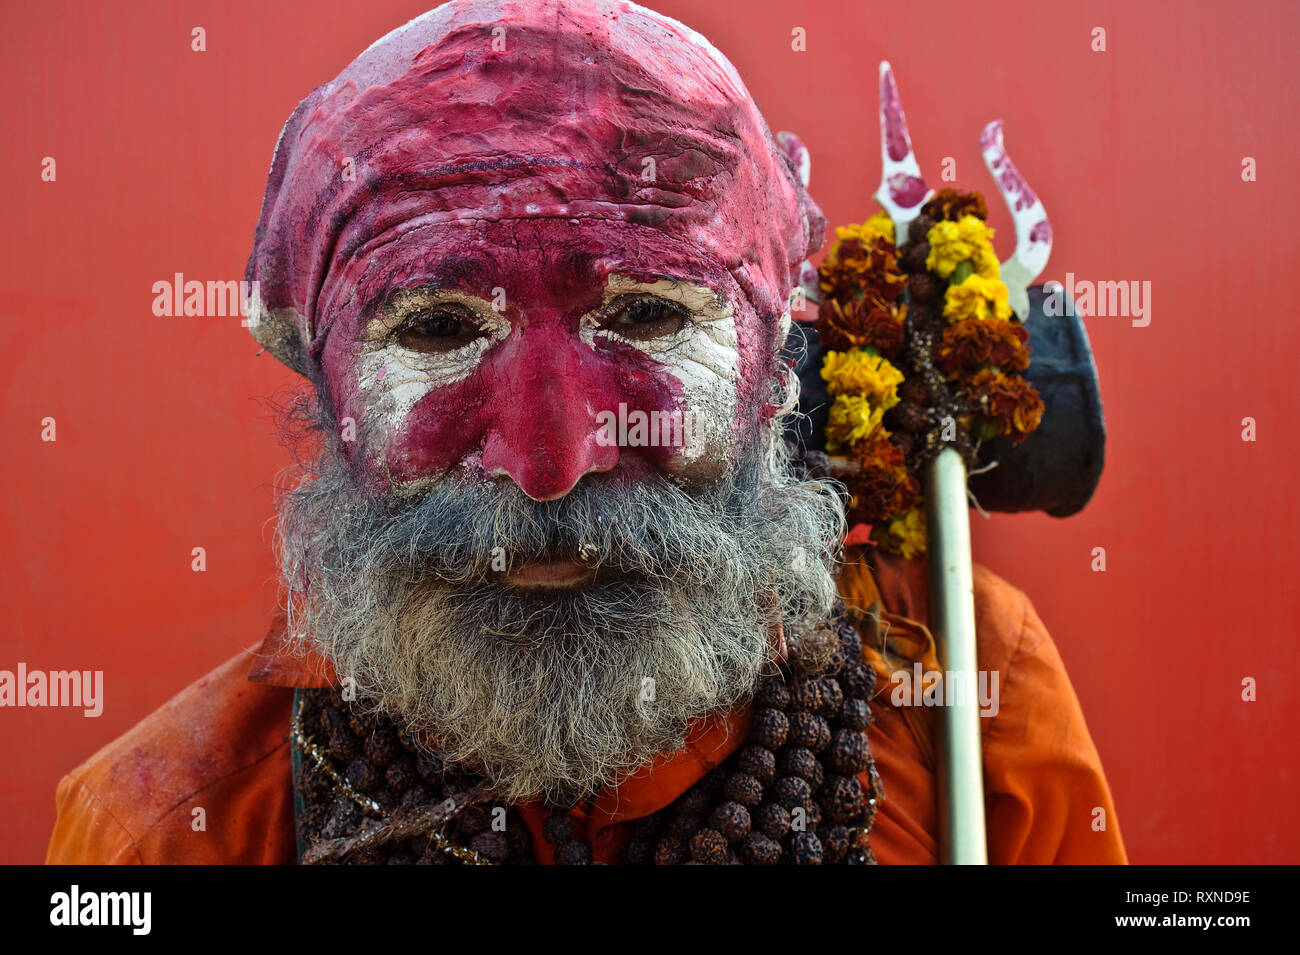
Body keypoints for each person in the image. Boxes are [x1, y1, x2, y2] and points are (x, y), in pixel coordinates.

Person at [46, 0, 1125, 865]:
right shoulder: (163, 832)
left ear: (768, 371)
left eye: (650, 314)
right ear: (323, 391)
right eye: (436, 327)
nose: (552, 463)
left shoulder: (959, 696)